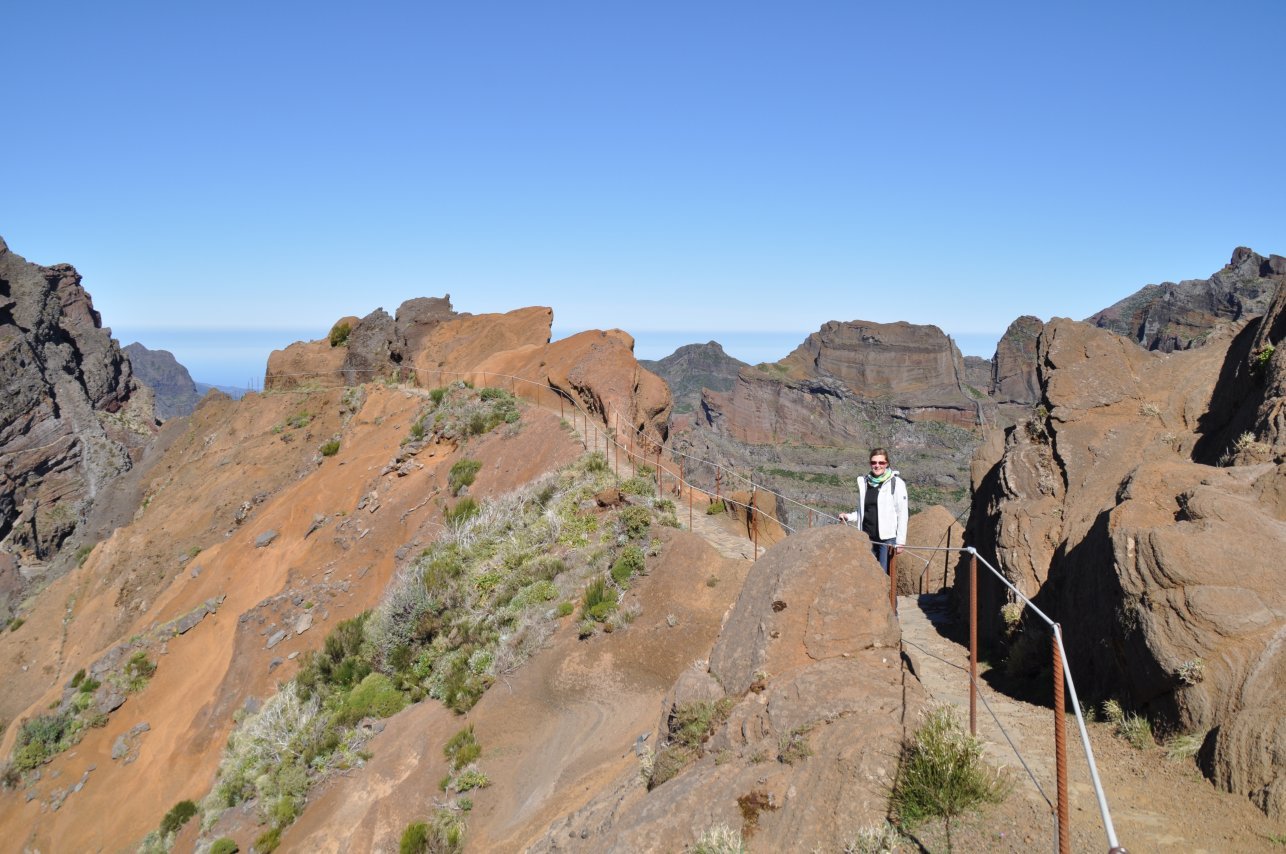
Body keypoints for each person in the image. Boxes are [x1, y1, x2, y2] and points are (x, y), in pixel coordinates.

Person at [839, 447, 908, 573]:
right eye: (874, 462)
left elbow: (902, 514)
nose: (877, 466)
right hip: (866, 537)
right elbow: (864, 510)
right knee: (867, 573)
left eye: (881, 462)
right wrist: (849, 516)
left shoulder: (896, 483)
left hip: (886, 540)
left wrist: (900, 542)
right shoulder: (865, 482)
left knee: (882, 574)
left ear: (887, 464)